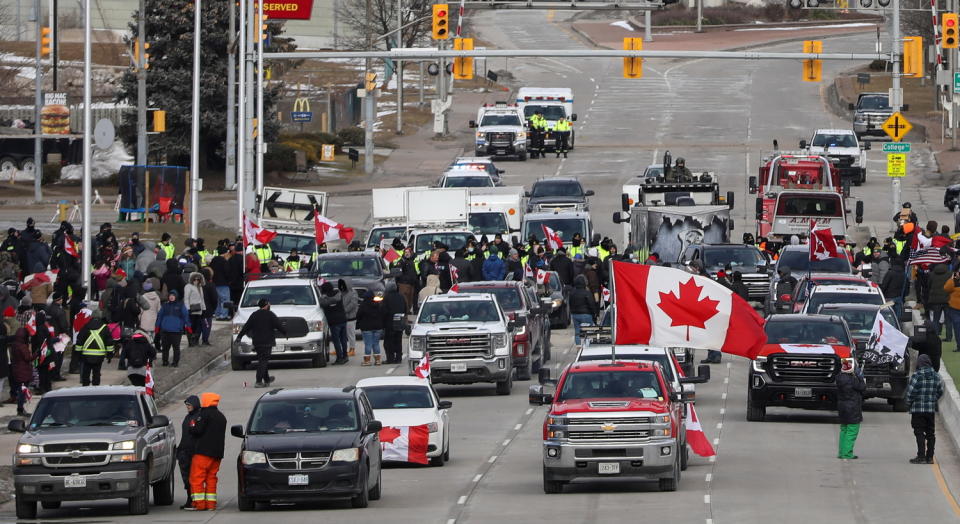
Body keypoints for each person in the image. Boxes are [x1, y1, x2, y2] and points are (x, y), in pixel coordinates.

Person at [235, 299, 287, 387]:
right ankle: (258, 381)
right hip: (267, 342)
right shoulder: (270, 314)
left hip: (257, 342)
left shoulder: (254, 315)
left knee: (262, 360)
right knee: (263, 361)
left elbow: (246, 327)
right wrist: (285, 333)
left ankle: (266, 379)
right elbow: (279, 325)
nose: (270, 305)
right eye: (269, 303)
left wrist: (239, 337)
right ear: (266, 305)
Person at [188, 392, 227, 511]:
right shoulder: (221, 416)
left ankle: (199, 504)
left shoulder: (204, 414)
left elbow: (197, 430)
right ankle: (211, 505)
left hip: (203, 452)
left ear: (206, 401)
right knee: (211, 478)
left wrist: (192, 425)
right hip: (217, 454)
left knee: (197, 478)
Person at [906, 354, 944, 464]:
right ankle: (930, 457)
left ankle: (921, 456)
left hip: (918, 410)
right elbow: (940, 391)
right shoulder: (936, 376)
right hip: (930, 410)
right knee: (930, 433)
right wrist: (933, 399)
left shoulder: (916, 375)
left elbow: (910, 393)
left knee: (919, 432)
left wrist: (909, 403)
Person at [836, 358, 865, 459]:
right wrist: (861, 378)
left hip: (842, 407)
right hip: (852, 407)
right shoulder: (852, 380)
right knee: (852, 430)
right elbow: (862, 387)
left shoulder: (839, 378)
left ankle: (841, 452)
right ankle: (847, 453)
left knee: (844, 429)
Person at [77, 311, 115, 387]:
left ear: (91, 317)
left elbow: (80, 340)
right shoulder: (104, 327)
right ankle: (96, 388)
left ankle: (85, 388)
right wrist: (110, 355)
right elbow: (109, 343)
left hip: (86, 355)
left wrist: (78, 354)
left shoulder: (86, 326)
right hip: (99, 356)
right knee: (96, 373)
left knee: (86, 373)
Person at [156, 290, 191, 367]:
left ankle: (175, 362)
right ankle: (165, 361)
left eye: (173, 295)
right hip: (165, 331)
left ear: (176, 296)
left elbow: (186, 316)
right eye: (170, 295)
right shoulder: (165, 305)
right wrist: (157, 326)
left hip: (176, 331)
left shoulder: (181, 305)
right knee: (165, 347)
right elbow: (160, 316)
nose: (171, 297)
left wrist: (188, 326)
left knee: (176, 348)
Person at [178, 395, 201, 509]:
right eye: (187, 405)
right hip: (184, 452)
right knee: (186, 478)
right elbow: (185, 435)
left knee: (194, 478)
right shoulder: (188, 417)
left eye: (189, 405)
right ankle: (189, 499)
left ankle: (195, 500)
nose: (188, 407)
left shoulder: (199, 417)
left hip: (194, 452)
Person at [318, 282, 349, 365]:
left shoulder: (324, 299)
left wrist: (323, 298)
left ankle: (339, 358)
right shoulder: (338, 295)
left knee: (336, 341)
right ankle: (345, 356)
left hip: (334, 322)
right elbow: (335, 300)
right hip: (343, 319)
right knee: (343, 339)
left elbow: (322, 304)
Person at [356, 289, 386, 366]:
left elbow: (358, 315)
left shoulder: (363, 305)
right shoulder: (378, 305)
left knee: (368, 344)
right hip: (378, 327)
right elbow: (382, 314)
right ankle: (378, 360)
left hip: (366, 328)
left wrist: (359, 324)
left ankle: (367, 361)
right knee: (376, 343)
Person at [569, 275, 598, 347]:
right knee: (589, 330)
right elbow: (591, 304)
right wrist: (595, 313)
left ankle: (578, 346)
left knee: (577, 331)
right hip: (586, 314)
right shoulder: (587, 293)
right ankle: (588, 345)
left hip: (575, 315)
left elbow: (570, 303)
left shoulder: (572, 293)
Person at [382, 281, 407, 364]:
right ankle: (398, 358)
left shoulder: (386, 297)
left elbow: (384, 311)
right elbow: (405, 308)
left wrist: (383, 321)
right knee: (398, 341)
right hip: (400, 322)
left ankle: (390, 358)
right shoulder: (401, 296)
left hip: (390, 323)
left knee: (388, 342)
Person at [339, 279, 359, 358]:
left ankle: (352, 349)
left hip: (351, 317)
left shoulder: (353, 293)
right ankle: (342, 349)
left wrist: (344, 310)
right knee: (342, 335)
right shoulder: (341, 293)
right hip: (343, 317)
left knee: (351, 334)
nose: (342, 287)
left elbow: (353, 304)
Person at [943, 270, 960, 349]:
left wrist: (951, 278)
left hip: (954, 307)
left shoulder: (954, 282)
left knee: (957, 327)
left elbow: (946, 288)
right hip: (954, 308)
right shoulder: (955, 282)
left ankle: (959, 345)